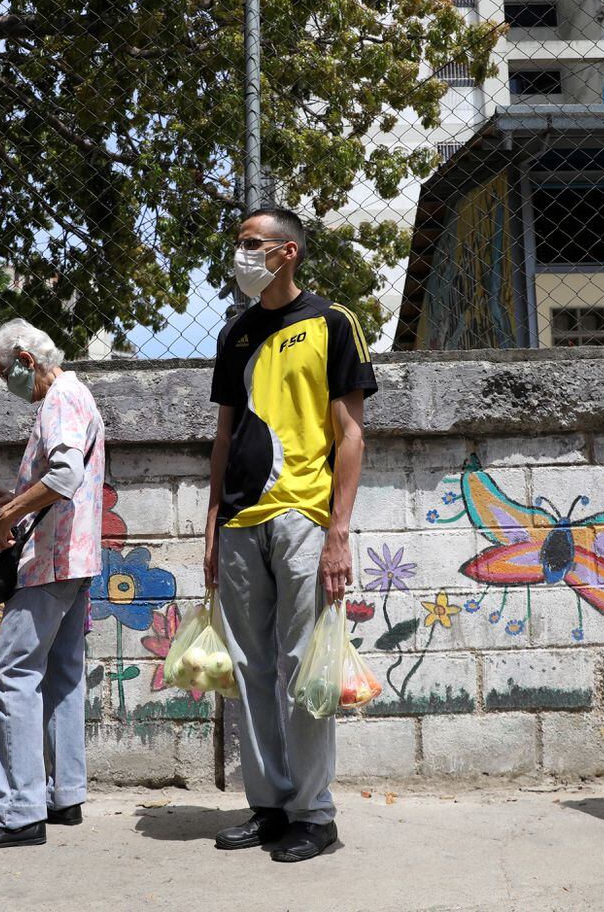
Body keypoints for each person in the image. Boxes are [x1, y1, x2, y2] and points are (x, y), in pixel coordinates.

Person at [206, 207, 377, 863]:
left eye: (252, 243)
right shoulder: (235, 334)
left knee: (303, 668)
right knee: (250, 669)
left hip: (304, 515)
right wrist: (211, 528)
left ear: (288, 253)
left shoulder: (333, 323)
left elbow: (351, 434)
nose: (241, 253)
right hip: (240, 521)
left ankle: (314, 814)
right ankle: (269, 805)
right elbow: (223, 437)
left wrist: (339, 532)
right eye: (239, 243)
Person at [0, 319, 104, 851]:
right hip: (76, 556)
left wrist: (6, 517)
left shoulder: (60, 397)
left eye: (5, 373)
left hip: (49, 562)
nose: (6, 385)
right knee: (62, 675)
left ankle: (20, 811)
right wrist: (12, 497)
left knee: (13, 675)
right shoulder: (76, 393)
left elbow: (64, 477)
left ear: (25, 358)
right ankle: (64, 794)